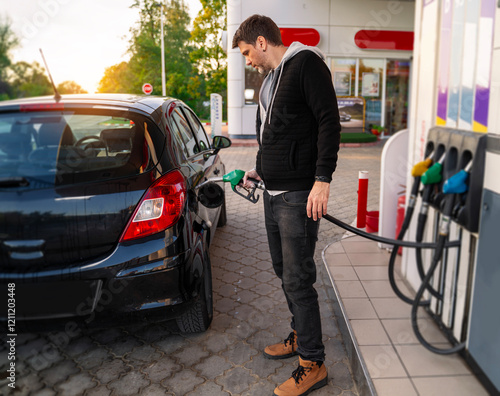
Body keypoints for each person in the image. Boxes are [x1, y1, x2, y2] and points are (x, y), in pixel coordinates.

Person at [232, 14, 341, 396]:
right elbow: (272, 137)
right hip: (274, 193)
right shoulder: (270, 81)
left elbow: (329, 121)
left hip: (299, 197)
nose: (247, 60)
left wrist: (322, 179)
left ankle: (313, 363)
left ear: (262, 42)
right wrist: (259, 171)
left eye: (247, 52)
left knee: (298, 277)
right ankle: (300, 334)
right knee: (283, 270)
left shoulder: (306, 64)